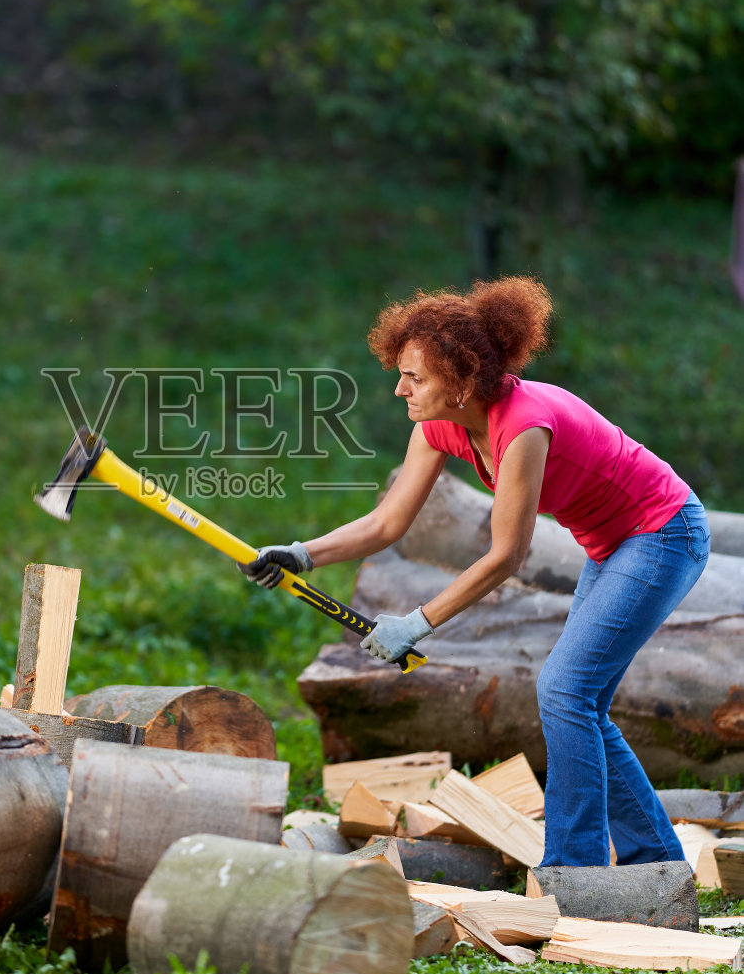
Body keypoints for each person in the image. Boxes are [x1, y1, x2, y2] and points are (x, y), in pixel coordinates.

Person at [240, 276, 709, 868]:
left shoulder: (525, 426)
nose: (399, 389)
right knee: (578, 701)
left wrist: (418, 621)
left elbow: (506, 556)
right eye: (401, 373)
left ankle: (575, 871)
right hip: (612, 545)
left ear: (462, 382)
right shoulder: (439, 423)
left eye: (415, 377)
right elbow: (388, 523)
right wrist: (302, 553)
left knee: (565, 692)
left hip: (663, 533)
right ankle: (658, 862)